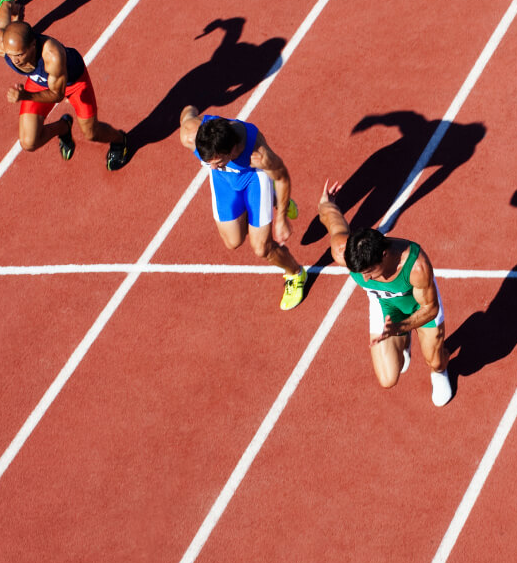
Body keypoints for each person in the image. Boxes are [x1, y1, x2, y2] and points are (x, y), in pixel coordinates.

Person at [315, 180, 453, 406]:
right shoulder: (344, 253)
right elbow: (332, 221)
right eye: (360, 273)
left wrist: (400, 327)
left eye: (369, 272)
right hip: (385, 306)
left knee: (436, 361)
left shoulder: (415, 266)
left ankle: (440, 372)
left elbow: (430, 308)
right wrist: (327, 204)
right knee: (388, 379)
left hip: (419, 307)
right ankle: (404, 341)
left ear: (385, 255)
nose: (365, 279)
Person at [178, 107, 308, 310]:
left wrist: (281, 218)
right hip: (225, 180)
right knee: (233, 241)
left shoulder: (258, 155)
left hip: (253, 178)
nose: (211, 167)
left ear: (231, 150)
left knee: (262, 248)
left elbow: (282, 178)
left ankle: (295, 273)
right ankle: (270, 200)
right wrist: (190, 108)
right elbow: (188, 113)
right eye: (208, 162)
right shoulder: (189, 135)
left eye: (217, 162)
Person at [0, 19, 130, 170]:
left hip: (73, 83)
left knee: (92, 133)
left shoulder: (52, 55)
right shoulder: (0, 46)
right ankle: (64, 127)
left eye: (20, 54)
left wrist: (25, 96)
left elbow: (57, 95)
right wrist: (8, 0)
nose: (15, 60)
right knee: (28, 142)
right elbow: (4, 11)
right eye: (10, 55)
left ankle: (119, 140)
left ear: (33, 45)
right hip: (39, 82)